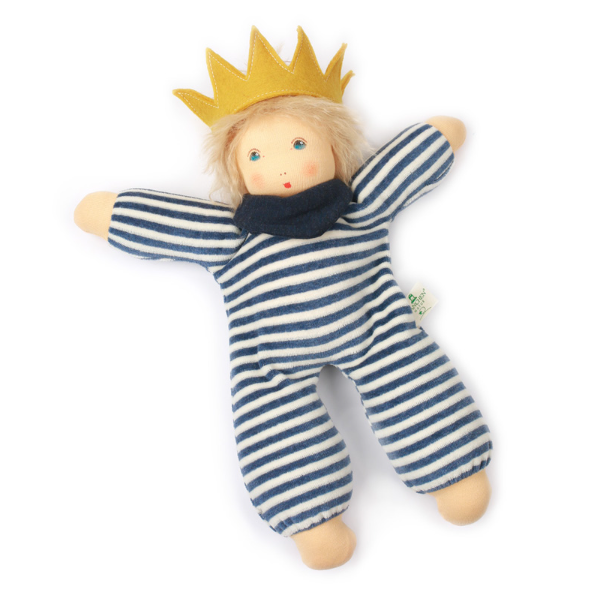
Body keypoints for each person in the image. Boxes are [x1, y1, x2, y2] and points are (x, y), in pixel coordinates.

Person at [74, 27, 492, 570]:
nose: (284, 165)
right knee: (269, 411)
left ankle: (456, 474)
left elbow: (408, 161)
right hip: (273, 355)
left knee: (407, 371)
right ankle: (312, 524)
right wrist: (111, 213)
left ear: (332, 147)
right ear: (238, 168)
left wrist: (437, 138)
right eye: (257, 154)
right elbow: (170, 224)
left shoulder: (357, 210)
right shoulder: (232, 237)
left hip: (375, 328)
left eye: (299, 145)